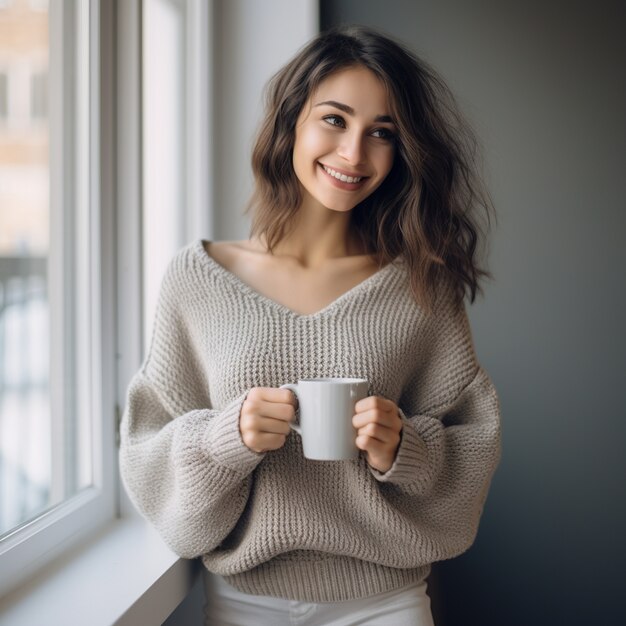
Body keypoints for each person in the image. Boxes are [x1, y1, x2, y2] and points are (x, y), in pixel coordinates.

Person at [119, 24, 502, 626]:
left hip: (387, 604)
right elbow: (147, 452)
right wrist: (228, 439)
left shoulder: (421, 287)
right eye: (334, 119)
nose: (354, 154)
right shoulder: (196, 280)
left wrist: (406, 447)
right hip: (244, 605)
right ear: (292, 120)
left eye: (382, 133)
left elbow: (471, 448)